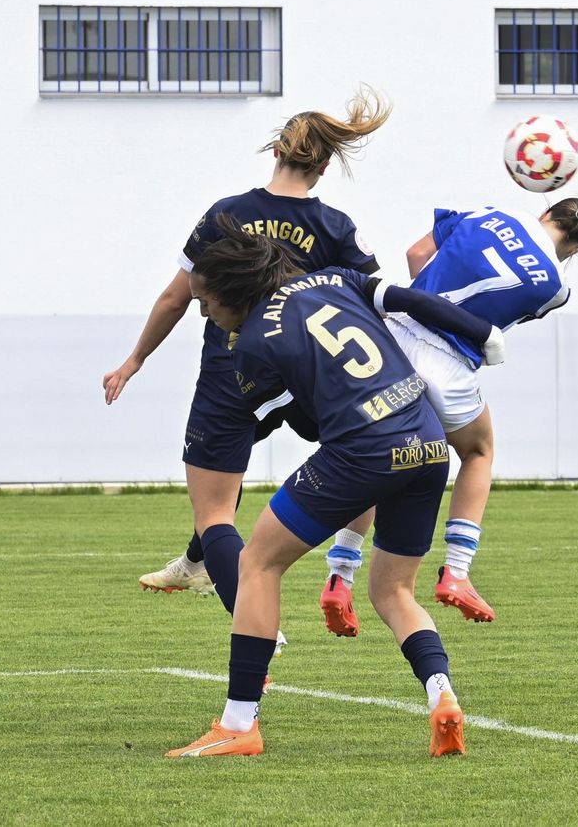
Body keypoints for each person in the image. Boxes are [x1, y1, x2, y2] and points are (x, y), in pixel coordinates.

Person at [166, 218, 506, 758]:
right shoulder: (337, 277)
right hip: (427, 441)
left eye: (205, 301)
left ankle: (238, 725)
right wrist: (482, 333)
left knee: (257, 564)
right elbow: (408, 301)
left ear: (232, 293)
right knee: (393, 591)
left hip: (363, 450)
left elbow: (281, 415)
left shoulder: (253, 342)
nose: (204, 312)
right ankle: (442, 695)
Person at [102, 89, 388, 621]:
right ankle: (320, 567)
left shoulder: (227, 215)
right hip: (308, 373)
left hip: (232, 372)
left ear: (276, 151)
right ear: (324, 167)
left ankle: (256, 632)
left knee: (214, 506)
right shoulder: (336, 226)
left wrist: (134, 360)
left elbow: (176, 295)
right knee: (365, 455)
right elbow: (369, 304)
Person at [319, 199, 578, 635]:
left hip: (391, 337)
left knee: (381, 450)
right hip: (448, 363)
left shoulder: (489, 213)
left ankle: (340, 576)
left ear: (546, 211)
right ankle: (456, 570)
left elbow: (416, 255)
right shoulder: (558, 289)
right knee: (479, 451)